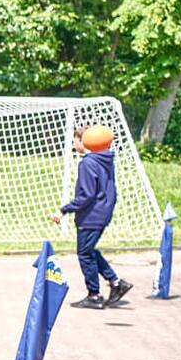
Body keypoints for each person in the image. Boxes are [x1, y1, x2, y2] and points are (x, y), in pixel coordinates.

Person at [58, 123, 131, 308]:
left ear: (86, 141)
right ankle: (116, 283)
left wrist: (65, 209)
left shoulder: (88, 163)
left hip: (91, 215)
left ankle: (94, 295)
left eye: (76, 140)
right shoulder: (106, 160)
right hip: (102, 213)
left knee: (84, 254)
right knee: (89, 250)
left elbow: (86, 195)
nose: (75, 144)